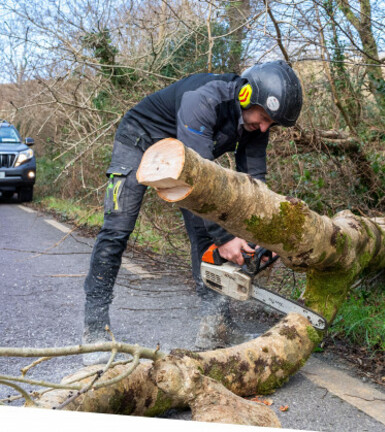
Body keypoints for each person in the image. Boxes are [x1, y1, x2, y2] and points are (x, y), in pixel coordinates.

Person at [82, 60, 303, 365]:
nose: (264, 127)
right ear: (245, 97)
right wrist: (226, 236)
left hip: (186, 156)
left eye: (271, 124)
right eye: (263, 118)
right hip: (139, 139)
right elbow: (198, 184)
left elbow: (255, 186)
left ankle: (215, 324)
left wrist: (262, 233)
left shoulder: (255, 125)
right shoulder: (203, 100)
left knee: (203, 232)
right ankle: (94, 329)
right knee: (117, 229)